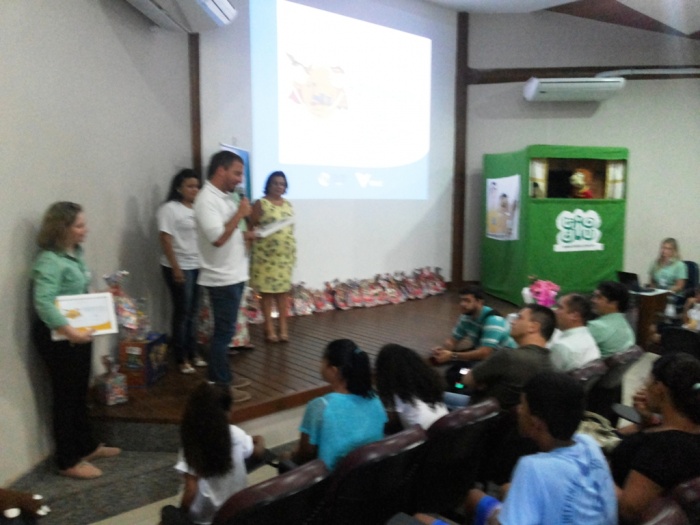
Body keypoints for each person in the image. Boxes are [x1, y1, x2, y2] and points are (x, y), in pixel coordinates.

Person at [413, 371, 617, 525]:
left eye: (522, 405)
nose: (518, 410)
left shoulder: (534, 467)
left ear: (536, 424)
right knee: (474, 496)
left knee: (418, 517)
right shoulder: (588, 444)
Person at [31, 202, 120, 479]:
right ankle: (67, 460)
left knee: (80, 391)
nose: (86, 230)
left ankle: (86, 446)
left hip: (78, 334)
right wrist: (70, 332)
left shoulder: (75, 253)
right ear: (62, 228)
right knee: (66, 396)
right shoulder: (49, 260)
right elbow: (43, 303)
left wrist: (103, 297)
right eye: (79, 225)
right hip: (58, 337)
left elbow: (78, 293)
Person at [610, 352, 700, 524]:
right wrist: (645, 421)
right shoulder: (685, 429)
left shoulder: (664, 448)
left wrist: (597, 470)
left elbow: (628, 509)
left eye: (647, 381)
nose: (644, 386)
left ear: (659, 388)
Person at [193, 151, 253, 402]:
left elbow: (230, 233)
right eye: (237, 173)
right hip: (221, 277)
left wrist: (247, 233)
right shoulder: (206, 199)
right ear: (220, 170)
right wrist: (239, 214)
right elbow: (217, 238)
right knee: (223, 334)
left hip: (233, 274)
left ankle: (222, 374)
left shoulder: (226, 197)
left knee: (226, 333)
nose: (240, 179)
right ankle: (220, 384)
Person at [161, 383, 266, 525]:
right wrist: (260, 438)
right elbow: (258, 452)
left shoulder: (192, 443)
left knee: (168, 512)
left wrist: (181, 514)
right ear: (227, 412)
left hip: (202, 517)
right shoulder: (235, 434)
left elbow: (191, 490)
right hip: (234, 510)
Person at [290, 339, 387, 470]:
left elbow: (305, 454)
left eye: (323, 361)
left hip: (333, 479)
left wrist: (289, 456)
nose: (320, 364)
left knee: (285, 459)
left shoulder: (320, 406)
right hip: (370, 473)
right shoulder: (375, 399)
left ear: (334, 370)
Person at [452, 304, 555, 411]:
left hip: (478, 413)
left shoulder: (508, 356)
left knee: (446, 393)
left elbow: (467, 380)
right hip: (510, 419)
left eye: (519, 318)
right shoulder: (550, 365)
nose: (513, 321)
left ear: (533, 327)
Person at [158, 169, 206, 374]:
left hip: (198, 265)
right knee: (183, 312)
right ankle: (180, 357)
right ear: (179, 188)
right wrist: (176, 267)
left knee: (194, 312)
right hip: (178, 266)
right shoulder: (170, 209)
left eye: (197, 186)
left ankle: (193, 352)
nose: (194, 190)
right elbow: (165, 239)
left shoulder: (200, 209)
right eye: (190, 186)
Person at [249, 171, 296, 343]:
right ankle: (268, 328)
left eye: (282, 184)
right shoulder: (261, 203)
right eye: (275, 183)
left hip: (284, 256)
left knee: (283, 293)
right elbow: (251, 225)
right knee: (267, 293)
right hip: (265, 257)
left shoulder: (288, 204)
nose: (278, 186)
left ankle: (283, 328)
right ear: (268, 185)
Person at [431, 285, 515, 366]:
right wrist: (444, 350)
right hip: (484, 352)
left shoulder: (494, 320)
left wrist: (452, 355)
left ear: (479, 302)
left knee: (458, 371)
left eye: (467, 300)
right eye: (461, 300)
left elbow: (485, 353)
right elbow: (453, 340)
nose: (462, 304)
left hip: (505, 359)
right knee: (442, 361)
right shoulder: (466, 317)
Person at [375, 344, 448, 431]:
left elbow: (388, 420)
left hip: (423, 436)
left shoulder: (395, 392)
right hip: (447, 426)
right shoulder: (428, 382)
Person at [549, 293, 600, 372]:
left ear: (575, 316)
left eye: (560, 308)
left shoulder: (562, 346)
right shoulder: (586, 336)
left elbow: (548, 376)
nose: (555, 311)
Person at [587, 281, 636, 357]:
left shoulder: (596, 327)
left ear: (613, 303)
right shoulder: (626, 326)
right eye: (594, 296)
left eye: (599, 297)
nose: (593, 300)